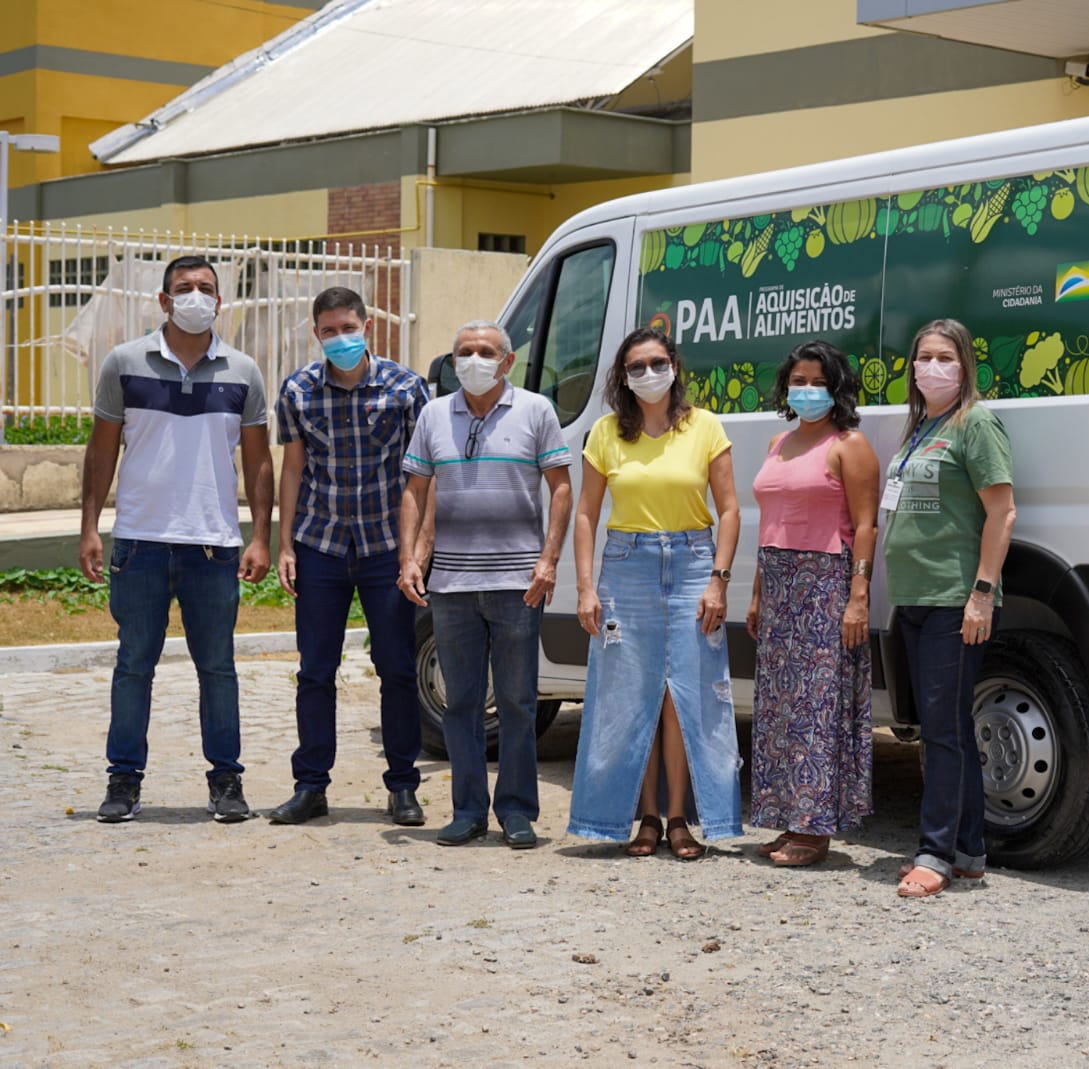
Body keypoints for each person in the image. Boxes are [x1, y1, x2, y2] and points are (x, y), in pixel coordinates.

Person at [78, 254, 274, 824]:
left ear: (220, 301)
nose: (195, 296)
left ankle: (226, 781)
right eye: (183, 288)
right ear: (163, 301)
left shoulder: (243, 371)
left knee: (218, 667)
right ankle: (123, 780)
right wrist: (90, 526)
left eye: (205, 288)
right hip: (138, 542)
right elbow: (101, 450)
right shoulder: (124, 362)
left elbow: (260, 462)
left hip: (214, 545)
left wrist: (260, 536)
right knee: (134, 664)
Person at [396, 320, 573, 848]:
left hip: (520, 582)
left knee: (518, 701)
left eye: (485, 352)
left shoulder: (536, 410)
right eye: (464, 352)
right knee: (461, 703)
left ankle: (516, 812)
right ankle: (467, 810)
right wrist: (409, 558)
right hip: (450, 583)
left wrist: (549, 560)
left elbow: (560, 489)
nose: (473, 360)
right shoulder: (433, 414)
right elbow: (415, 489)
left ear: (507, 361)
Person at [567, 327, 742, 859]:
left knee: (685, 695)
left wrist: (719, 578)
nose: (648, 373)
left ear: (674, 366)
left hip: (693, 564)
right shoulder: (604, 433)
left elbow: (729, 509)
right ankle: (645, 818)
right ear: (623, 376)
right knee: (630, 695)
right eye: (636, 366)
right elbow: (586, 514)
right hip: (626, 566)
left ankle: (680, 817)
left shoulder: (705, 426)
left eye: (657, 362)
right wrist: (584, 588)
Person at [264, 287, 432, 827]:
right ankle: (310, 785)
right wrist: (284, 542)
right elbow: (292, 468)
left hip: (388, 548)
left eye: (348, 327)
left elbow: (424, 475)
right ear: (317, 334)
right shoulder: (297, 390)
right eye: (329, 330)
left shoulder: (407, 388)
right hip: (322, 546)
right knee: (315, 672)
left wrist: (418, 552)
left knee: (398, 670)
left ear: (367, 327)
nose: (340, 338)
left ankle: (403, 786)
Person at [882, 318, 1016, 898]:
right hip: (914, 598)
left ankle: (934, 854)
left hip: (952, 599)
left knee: (941, 732)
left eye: (944, 357)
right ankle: (969, 852)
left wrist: (981, 594)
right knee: (947, 728)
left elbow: (1002, 512)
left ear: (965, 365)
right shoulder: (921, 425)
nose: (931, 366)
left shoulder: (975, 423)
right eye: (922, 357)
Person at [745, 340, 879, 867]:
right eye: (797, 381)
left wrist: (859, 596)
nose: (806, 390)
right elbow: (770, 523)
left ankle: (816, 828)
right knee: (779, 709)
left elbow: (866, 524)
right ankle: (787, 816)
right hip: (779, 584)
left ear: (836, 387)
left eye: (817, 382)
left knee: (817, 707)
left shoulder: (850, 445)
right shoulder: (778, 442)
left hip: (825, 582)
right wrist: (757, 593)